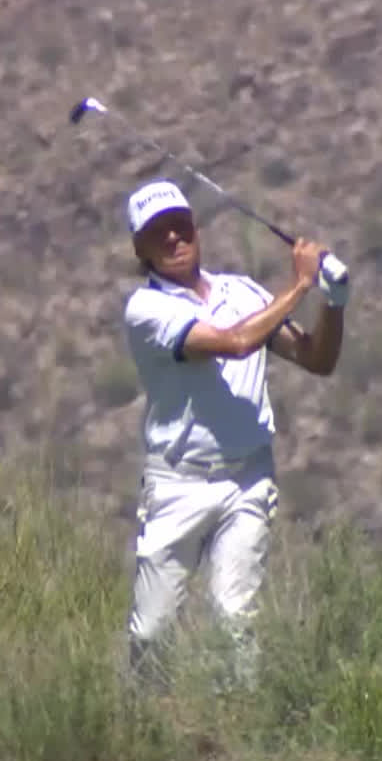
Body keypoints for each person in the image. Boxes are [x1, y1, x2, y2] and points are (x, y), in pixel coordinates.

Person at [118, 178, 348, 692]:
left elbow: (317, 359)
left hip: (247, 480)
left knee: (235, 620)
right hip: (178, 485)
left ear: (195, 229)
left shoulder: (242, 292)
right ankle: (137, 726)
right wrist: (302, 286)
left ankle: (236, 732)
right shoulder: (147, 310)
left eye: (180, 225)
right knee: (152, 632)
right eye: (159, 234)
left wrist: (334, 303)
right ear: (141, 249)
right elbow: (238, 341)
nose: (174, 238)